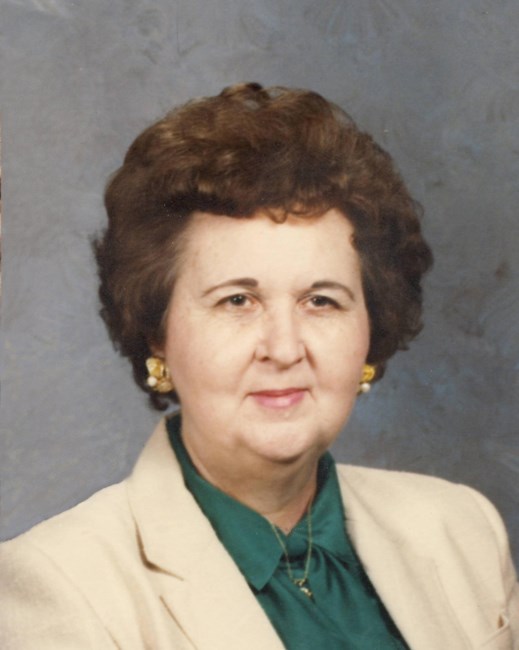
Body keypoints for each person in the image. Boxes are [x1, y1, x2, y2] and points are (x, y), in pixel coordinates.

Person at [0, 83, 517, 649]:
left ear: (371, 328)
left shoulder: (462, 529)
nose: (284, 348)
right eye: (237, 301)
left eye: (321, 300)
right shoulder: (60, 588)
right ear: (157, 333)